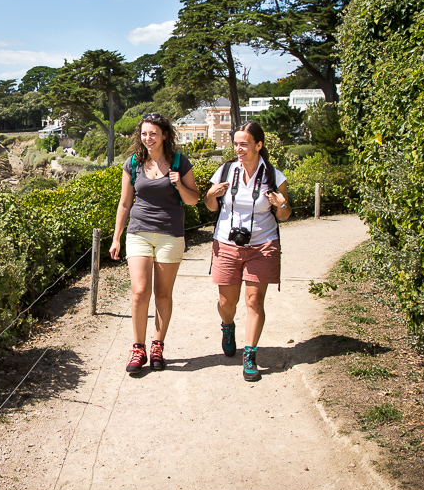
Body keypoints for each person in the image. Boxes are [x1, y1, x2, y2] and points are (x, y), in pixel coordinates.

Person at [110, 113, 200, 373]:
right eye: (144, 134)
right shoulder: (133, 163)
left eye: (153, 133)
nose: (148, 138)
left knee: (162, 294)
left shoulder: (180, 162)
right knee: (139, 292)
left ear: (164, 136)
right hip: (138, 232)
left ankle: (157, 345)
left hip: (170, 234)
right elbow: (125, 203)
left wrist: (179, 184)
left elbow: (194, 199)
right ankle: (138, 349)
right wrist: (116, 237)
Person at [203, 122, 292, 382]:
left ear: (258, 145)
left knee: (254, 301)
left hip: (263, 244)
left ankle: (250, 354)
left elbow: (284, 216)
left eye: (243, 144)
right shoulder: (225, 170)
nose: (238, 149)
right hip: (226, 243)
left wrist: (282, 203)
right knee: (226, 303)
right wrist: (210, 195)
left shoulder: (274, 176)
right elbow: (210, 207)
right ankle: (227, 327)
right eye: (236, 144)